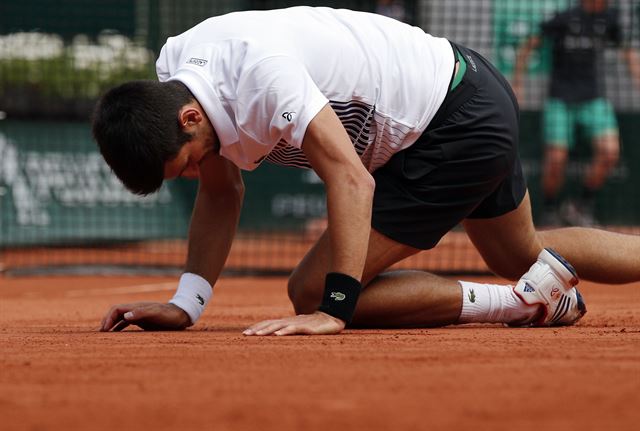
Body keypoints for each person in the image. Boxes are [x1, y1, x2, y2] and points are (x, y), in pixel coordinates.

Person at [93, 7, 640, 336]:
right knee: (520, 253)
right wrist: (185, 304)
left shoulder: (261, 76)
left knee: (311, 291)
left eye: (186, 164)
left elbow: (351, 180)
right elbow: (221, 192)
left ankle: (522, 304)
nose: (195, 174)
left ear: (190, 117)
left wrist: (335, 309)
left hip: (454, 121)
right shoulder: (177, 72)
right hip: (464, 90)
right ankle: (532, 289)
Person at [512, 0, 640, 226]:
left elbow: (628, 51)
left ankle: (580, 206)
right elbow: (529, 45)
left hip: (593, 98)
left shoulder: (609, 19)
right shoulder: (564, 18)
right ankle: (551, 210)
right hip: (560, 98)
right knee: (556, 158)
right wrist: (517, 83)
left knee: (610, 152)